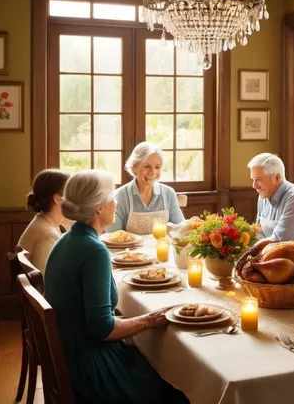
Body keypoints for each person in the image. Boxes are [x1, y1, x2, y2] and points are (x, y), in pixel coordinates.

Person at [44, 170, 188, 404]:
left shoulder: (69, 238)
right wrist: (150, 319)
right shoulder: (94, 250)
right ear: (98, 207)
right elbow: (104, 329)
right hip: (90, 367)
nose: (117, 201)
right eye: (112, 197)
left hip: (70, 352)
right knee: (179, 388)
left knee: (154, 358)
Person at [107, 142, 184, 234]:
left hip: (161, 248)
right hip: (128, 249)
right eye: (147, 166)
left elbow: (180, 229)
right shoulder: (118, 197)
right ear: (135, 167)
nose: (153, 172)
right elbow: (113, 237)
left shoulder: (169, 193)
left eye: (157, 167)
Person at [248, 153, 294, 243]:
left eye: (258, 179)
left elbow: (278, 241)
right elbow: (258, 232)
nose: (254, 186)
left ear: (277, 178)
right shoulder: (263, 196)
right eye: (253, 179)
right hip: (271, 254)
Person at [18, 168, 70, 273]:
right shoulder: (47, 236)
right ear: (57, 199)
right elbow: (44, 283)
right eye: (71, 194)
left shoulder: (45, 221)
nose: (75, 199)